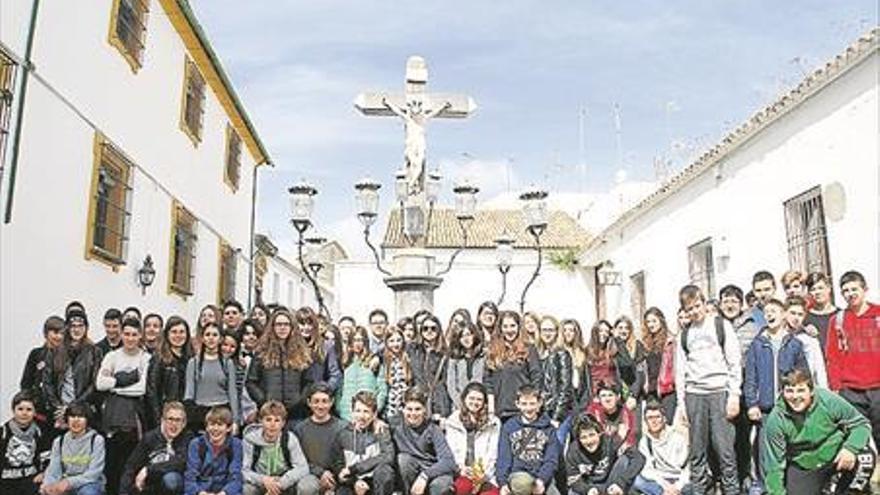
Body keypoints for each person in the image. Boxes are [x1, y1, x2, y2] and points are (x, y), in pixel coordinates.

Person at [763, 369, 876, 495]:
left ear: (811, 391)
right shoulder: (776, 419)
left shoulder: (827, 400)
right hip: (805, 464)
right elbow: (774, 465)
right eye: (790, 391)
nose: (795, 397)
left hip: (837, 455)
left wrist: (850, 448)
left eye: (801, 390)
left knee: (865, 458)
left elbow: (861, 424)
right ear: (782, 392)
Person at [674, 284, 741, 495]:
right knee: (697, 452)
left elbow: (734, 362)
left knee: (725, 451)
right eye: (689, 309)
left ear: (704, 303)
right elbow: (680, 372)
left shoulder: (721, 326)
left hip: (719, 392)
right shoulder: (684, 335)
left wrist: (734, 396)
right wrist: (681, 404)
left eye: (697, 306)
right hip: (695, 395)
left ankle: (731, 491)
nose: (694, 311)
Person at [96, 318, 152, 495]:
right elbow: (100, 383)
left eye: (134, 334)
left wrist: (115, 387)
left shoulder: (146, 358)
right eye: (126, 334)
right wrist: (123, 381)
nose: (130, 338)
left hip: (135, 421)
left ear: (140, 336)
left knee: (130, 466)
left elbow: (141, 389)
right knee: (112, 466)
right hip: (112, 419)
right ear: (121, 334)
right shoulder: (111, 356)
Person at [825, 270, 880, 450]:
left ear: (865, 289)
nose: (850, 294)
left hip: (878, 386)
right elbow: (832, 356)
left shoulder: (878, 315)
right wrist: (836, 387)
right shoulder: (838, 320)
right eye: (846, 290)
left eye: (854, 289)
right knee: (857, 439)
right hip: (851, 390)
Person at [246, 309, 311, 426]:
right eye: (279, 324)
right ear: (272, 327)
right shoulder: (262, 352)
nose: (282, 328)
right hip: (269, 414)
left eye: (286, 324)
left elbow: (309, 382)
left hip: (295, 414)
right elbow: (251, 381)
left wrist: (300, 400)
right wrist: (263, 400)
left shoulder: (302, 352)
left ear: (292, 327)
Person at [43, 311, 103, 434]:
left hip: (82, 411)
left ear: (86, 328)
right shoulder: (54, 351)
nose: (77, 330)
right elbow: (47, 382)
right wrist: (59, 407)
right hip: (58, 412)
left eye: (80, 326)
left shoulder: (94, 351)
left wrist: (73, 407)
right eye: (73, 326)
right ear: (67, 328)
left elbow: (94, 383)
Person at [392, 386, 456, 495]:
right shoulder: (395, 425)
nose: (413, 414)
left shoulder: (433, 429)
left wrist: (425, 475)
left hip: (433, 471)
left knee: (441, 485)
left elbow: (449, 461)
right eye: (409, 409)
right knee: (403, 460)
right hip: (412, 471)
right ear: (403, 409)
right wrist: (377, 422)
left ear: (424, 410)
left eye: (417, 409)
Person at [496, 385, 559, 495]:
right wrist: (503, 483)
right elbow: (504, 458)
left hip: (540, 476)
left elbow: (551, 459)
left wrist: (541, 480)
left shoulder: (549, 429)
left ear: (539, 403)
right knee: (524, 483)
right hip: (518, 476)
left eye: (532, 403)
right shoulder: (509, 427)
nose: (528, 408)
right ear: (517, 404)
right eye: (524, 404)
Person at [118, 402, 193, 495]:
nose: (174, 424)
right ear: (163, 420)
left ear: (184, 423)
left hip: (175, 486)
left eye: (178, 420)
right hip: (150, 488)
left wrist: (148, 470)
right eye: (170, 419)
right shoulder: (149, 438)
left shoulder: (188, 438)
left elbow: (181, 462)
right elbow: (131, 466)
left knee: (171, 480)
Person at [331, 391, 395, 495]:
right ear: (352, 412)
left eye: (366, 411)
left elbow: (388, 456)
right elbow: (338, 465)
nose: (361, 416)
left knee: (385, 471)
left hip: (375, 482)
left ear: (374, 414)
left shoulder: (381, 430)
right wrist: (354, 482)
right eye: (358, 411)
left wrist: (355, 468)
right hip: (352, 482)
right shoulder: (343, 434)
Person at [564, 412, 644, 495]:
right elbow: (573, 480)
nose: (589, 441)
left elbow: (639, 458)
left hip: (612, 484)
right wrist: (587, 490)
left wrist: (621, 483)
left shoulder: (611, 442)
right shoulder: (573, 451)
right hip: (590, 488)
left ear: (599, 433)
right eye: (584, 437)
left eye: (592, 435)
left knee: (625, 460)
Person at [241, 401, 309, 495]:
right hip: (261, 481)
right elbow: (244, 471)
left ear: (283, 423)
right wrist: (263, 480)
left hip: (284, 481)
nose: (272, 424)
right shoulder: (250, 440)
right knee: (246, 489)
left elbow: (303, 467)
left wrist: (281, 483)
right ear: (261, 421)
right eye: (268, 420)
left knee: (306, 485)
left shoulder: (289, 438)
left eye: (277, 420)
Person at [445, 383, 501, 495]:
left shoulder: (493, 422)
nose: (475, 402)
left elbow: (493, 452)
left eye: (479, 399)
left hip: (485, 474)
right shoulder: (453, 420)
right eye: (471, 398)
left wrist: (482, 474)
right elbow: (451, 450)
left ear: (484, 402)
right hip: (462, 472)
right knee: (461, 488)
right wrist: (461, 469)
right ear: (464, 399)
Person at [485, 311, 541, 421]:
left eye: (512, 326)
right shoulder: (492, 349)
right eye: (505, 326)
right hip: (499, 410)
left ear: (519, 327)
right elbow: (488, 381)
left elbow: (536, 377)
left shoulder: (529, 349)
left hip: (522, 410)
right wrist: (491, 408)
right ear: (500, 328)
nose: (509, 330)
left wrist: (531, 404)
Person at [184, 323, 240, 433]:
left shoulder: (227, 363)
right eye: (207, 334)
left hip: (222, 411)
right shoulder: (193, 363)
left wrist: (235, 421)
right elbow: (189, 393)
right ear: (202, 338)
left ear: (220, 339)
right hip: (200, 413)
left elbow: (232, 392)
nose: (211, 338)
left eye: (215, 335)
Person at [41, 402, 106, 495]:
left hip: (89, 483)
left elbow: (94, 473)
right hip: (64, 482)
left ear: (87, 420)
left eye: (80, 417)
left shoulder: (96, 440)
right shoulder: (59, 441)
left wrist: (69, 482)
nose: (76, 420)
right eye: (72, 416)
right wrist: (48, 485)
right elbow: (53, 470)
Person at [293, 383, 346, 495]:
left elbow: (346, 457)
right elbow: (298, 460)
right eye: (316, 401)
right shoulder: (300, 429)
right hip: (310, 475)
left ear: (331, 402)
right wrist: (320, 473)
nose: (320, 406)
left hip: (338, 475)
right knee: (306, 487)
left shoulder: (343, 427)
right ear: (309, 403)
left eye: (324, 401)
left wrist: (333, 477)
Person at [633, 400, 692, 495]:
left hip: (679, 478)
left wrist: (677, 486)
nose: (654, 421)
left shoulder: (677, 438)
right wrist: (665, 486)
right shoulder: (645, 442)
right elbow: (647, 469)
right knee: (637, 481)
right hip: (660, 480)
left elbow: (687, 467)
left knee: (694, 485)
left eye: (657, 417)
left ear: (664, 419)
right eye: (650, 418)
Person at [0, 392, 52, 495]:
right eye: (20, 409)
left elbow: (46, 457)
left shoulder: (40, 432)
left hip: (31, 479)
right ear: (13, 410)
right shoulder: (4, 432)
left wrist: (44, 473)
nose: (24, 413)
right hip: (6, 481)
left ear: (34, 412)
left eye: (29, 410)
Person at [146, 316, 193, 430]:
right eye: (174, 332)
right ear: (167, 334)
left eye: (182, 332)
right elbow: (152, 391)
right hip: (166, 416)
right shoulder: (159, 358)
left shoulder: (191, 358)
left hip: (187, 416)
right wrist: (159, 420)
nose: (178, 335)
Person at [184, 406, 242, 495]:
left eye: (220, 425)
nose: (215, 429)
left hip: (224, 489)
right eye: (212, 424)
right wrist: (201, 493)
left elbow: (236, 477)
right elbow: (190, 477)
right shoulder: (196, 444)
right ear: (206, 427)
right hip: (201, 489)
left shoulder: (235, 444)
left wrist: (224, 493)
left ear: (228, 428)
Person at [21, 316, 65, 431]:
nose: (59, 336)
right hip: (38, 413)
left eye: (62, 333)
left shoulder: (66, 357)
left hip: (59, 414)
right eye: (55, 332)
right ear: (46, 333)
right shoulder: (36, 354)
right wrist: (32, 406)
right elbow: (26, 383)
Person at [337, 327, 387, 422]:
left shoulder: (373, 361)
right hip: (346, 415)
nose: (357, 343)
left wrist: (376, 408)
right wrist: (339, 408)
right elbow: (339, 389)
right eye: (354, 340)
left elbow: (382, 389)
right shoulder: (345, 362)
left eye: (360, 340)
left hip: (368, 414)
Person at [409, 314, 451, 419]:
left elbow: (445, 382)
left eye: (433, 328)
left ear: (438, 331)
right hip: (417, 401)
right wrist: (377, 357)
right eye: (425, 328)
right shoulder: (413, 349)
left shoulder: (445, 354)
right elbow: (393, 349)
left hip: (438, 403)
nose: (429, 331)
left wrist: (441, 409)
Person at [536, 316, 573, 426]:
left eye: (550, 330)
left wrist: (557, 416)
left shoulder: (562, 354)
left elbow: (565, 389)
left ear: (557, 332)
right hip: (541, 411)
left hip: (556, 412)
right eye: (544, 330)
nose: (547, 333)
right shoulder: (538, 354)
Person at [642, 308, 676, 423]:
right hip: (651, 390)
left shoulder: (670, 341)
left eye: (654, 321)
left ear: (661, 321)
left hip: (667, 390)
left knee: (667, 423)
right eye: (648, 322)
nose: (651, 325)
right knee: (653, 425)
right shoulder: (646, 343)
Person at [784, 296, 828, 388]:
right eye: (792, 313)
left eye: (800, 314)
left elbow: (819, 369)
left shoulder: (810, 340)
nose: (796, 318)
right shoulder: (779, 337)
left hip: (804, 387)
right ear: (785, 313)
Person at [579, 320, 624, 406]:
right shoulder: (587, 351)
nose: (603, 334)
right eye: (600, 331)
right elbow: (584, 379)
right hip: (593, 396)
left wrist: (617, 338)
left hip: (611, 395)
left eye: (606, 331)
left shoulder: (613, 351)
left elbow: (626, 367)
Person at [446, 321, 486, 411]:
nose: (466, 339)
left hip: (480, 406)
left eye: (468, 334)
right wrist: (462, 405)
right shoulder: (454, 359)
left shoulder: (484, 357)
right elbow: (451, 385)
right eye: (461, 336)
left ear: (474, 335)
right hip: (459, 407)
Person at [584, 381, 637, 449]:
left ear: (618, 397)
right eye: (603, 396)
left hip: (622, 451)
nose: (607, 399)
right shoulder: (593, 414)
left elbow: (631, 440)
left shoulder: (627, 414)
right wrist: (619, 438)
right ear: (598, 399)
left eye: (610, 395)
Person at [381, 327, 412, 420]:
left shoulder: (408, 357)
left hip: (406, 406)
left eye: (398, 340)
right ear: (386, 343)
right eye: (392, 341)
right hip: (390, 407)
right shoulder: (384, 359)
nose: (396, 344)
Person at [803, 272, 838, 353]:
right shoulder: (804, 318)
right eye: (813, 289)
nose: (817, 292)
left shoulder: (841, 315)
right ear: (809, 293)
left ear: (829, 288)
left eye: (820, 288)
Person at [560, 319, 587, 403]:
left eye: (571, 330)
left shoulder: (583, 353)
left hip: (579, 395)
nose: (567, 333)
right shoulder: (558, 353)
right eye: (565, 330)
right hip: (564, 396)